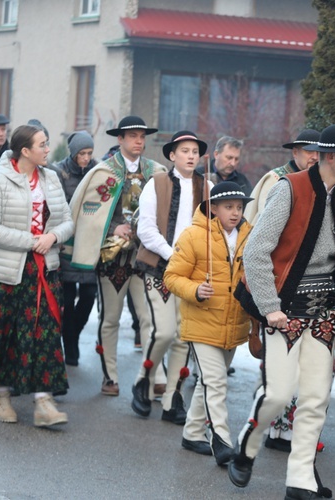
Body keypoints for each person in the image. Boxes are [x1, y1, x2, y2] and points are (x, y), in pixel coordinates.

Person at [228, 124, 335, 500]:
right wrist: (270, 308)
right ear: (330, 157)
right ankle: (247, 444)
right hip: (283, 308)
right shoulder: (289, 188)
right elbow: (255, 252)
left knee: (315, 397)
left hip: (325, 310)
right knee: (278, 394)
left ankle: (301, 480)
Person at [0, 124, 74, 426]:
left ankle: (43, 401)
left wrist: (54, 237)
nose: (47, 150)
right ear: (25, 151)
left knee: (43, 333)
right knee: (3, 334)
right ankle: (2, 395)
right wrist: (33, 240)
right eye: (42, 145)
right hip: (4, 271)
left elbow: (67, 221)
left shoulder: (51, 179)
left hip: (44, 269)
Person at [66, 116, 164, 396]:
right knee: (110, 318)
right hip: (112, 259)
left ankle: (152, 372)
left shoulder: (155, 171)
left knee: (148, 318)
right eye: (132, 136)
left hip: (145, 258)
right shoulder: (104, 171)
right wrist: (113, 226)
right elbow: (90, 211)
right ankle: (110, 376)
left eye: (142, 137)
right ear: (119, 139)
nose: (138, 141)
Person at [164, 181, 253, 465]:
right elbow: (171, 276)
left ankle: (192, 433)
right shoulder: (193, 236)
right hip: (201, 322)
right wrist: (195, 290)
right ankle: (223, 440)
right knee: (216, 382)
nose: (235, 213)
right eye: (229, 207)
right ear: (213, 208)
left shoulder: (249, 236)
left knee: (208, 382)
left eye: (239, 207)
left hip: (233, 323)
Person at [243, 127, 320, 453]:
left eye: (318, 151)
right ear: (295, 153)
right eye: (307, 151)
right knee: (277, 365)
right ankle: (269, 425)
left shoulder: (325, 183)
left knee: (306, 368)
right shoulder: (278, 182)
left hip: (312, 288)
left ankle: (292, 427)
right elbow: (259, 233)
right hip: (277, 281)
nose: (313, 156)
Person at [130, 131, 209, 424]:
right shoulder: (157, 183)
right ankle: (143, 380)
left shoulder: (207, 186)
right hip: (160, 267)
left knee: (182, 337)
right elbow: (146, 229)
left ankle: (172, 397)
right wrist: (172, 254)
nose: (190, 155)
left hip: (192, 274)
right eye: (184, 150)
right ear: (172, 155)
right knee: (163, 331)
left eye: (195, 151)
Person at [51, 131, 98, 366]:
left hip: (91, 243)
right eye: (82, 153)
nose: (86, 158)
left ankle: (72, 335)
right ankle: (69, 345)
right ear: (73, 153)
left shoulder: (98, 171)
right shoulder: (59, 172)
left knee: (89, 296)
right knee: (67, 299)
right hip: (66, 243)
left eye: (89, 153)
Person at [245, 129, 320, 225]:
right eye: (309, 151)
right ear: (295, 153)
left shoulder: (323, 182)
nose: (315, 157)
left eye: (319, 152)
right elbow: (266, 222)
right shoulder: (275, 179)